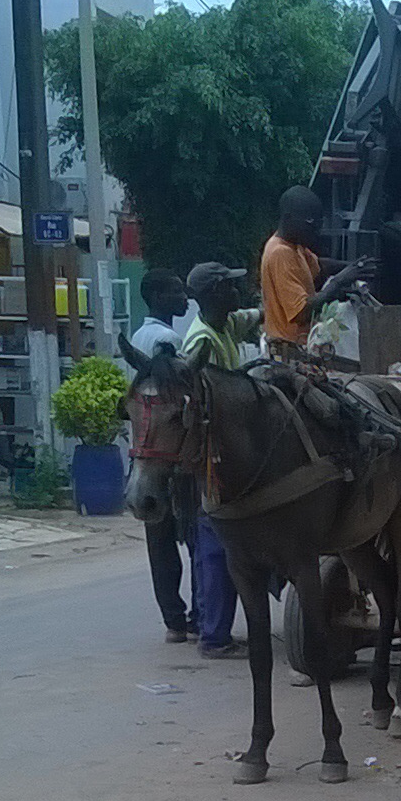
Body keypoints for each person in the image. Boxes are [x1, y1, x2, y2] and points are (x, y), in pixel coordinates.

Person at [181, 262, 264, 655]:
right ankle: (214, 635)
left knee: (220, 544)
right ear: (214, 294)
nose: (238, 291)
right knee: (215, 548)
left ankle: (213, 628)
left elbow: (260, 315)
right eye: (231, 287)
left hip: (229, 451)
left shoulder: (225, 324)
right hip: (215, 457)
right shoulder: (201, 343)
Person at [123, 268, 196, 643]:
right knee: (193, 533)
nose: (185, 299)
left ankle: (173, 619)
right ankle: (198, 615)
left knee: (159, 538)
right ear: (157, 297)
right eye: (177, 292)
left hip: (144, 446)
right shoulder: (167, 340)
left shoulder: (139, 335)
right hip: (168, 448)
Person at [260, 186, 365, 359]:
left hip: (300, 348)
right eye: (310, 223)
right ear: (288, 218)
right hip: (289, 353)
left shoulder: (295, 246)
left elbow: (320, 266)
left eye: (318, 222)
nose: (316, 229)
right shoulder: (279, 253)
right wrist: (338, 282)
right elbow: (301, 313)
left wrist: (354, 267)